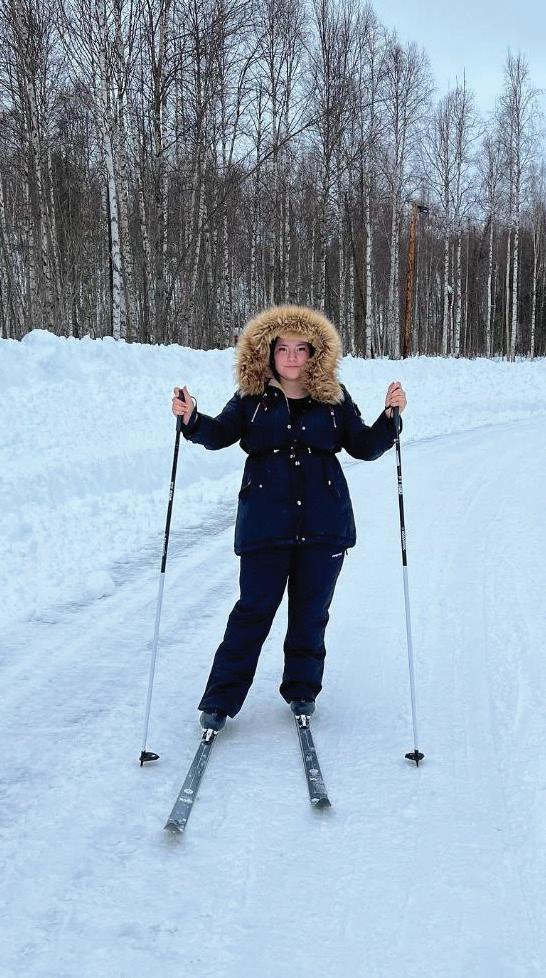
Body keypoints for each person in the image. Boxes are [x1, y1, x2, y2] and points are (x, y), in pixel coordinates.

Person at [171, 304, 406, 731]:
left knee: (310, 613)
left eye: (302, 349)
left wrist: (389, 419)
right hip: (265, 523)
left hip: (324, 524)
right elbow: (220, 434)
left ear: (315, 353)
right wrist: (192, 419)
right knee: (252, 611)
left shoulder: (334, 397)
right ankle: (220, 700)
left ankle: (301, 690)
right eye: (284, 349)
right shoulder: (251, 397)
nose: (292, 357)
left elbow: (363, 446)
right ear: (268, 351)